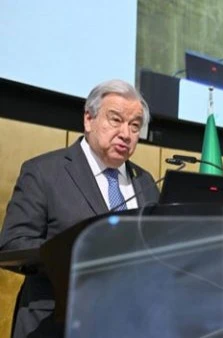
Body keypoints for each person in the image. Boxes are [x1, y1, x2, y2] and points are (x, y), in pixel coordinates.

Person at [0, 79, 160, 337]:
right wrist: (77, 253)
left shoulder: (146, 182)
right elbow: (13, 245)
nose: (126, 134)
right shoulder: (44, 172)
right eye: (116, 120)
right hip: (56, 323)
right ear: (89, 119)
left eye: (134, 126)